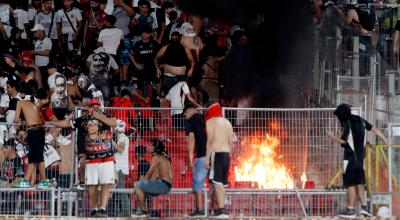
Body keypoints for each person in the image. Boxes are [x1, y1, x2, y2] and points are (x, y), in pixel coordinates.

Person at [47, 98, 118, 217]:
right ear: (88, 107)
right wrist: (49, 122)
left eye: (97, 105)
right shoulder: (82, 120)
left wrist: (99, 117)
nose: (94, 108)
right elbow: (66, 124)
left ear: (100, 106)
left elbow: (114, 123)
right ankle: (95, 209)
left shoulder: (106, 117)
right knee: (92, 184)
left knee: (106, 183)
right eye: (92, 106)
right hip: (91, 158)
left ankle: (103, 209)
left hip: (107, 157)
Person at [326, 103, 390, 218]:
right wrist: (385, 140)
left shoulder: (346, 123)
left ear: (342, 115)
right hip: (360, 159)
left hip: (350, 159)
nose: (338, 119)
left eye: (338, 116)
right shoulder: (361, 120)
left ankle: (350, 210)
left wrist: (331, 136)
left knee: (350, 184)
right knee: (359, 183)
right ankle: (364, 207)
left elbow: (343, 141)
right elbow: (374, 129)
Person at [13, 94, 49, 188]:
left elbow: (16, 120)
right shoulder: (34, 102)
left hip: (33, 131)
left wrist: (20, 120)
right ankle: (26, 181)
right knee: (34, 158)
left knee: (37, 158)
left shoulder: (20, 102)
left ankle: (43, 182)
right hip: (39, 130)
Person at [205, 102, 233, 218]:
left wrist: (207, 159)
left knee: (217, 183)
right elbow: (230, 142)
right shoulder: (227, 122)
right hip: (227, 154)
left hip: (216, 153)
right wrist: (229, 156)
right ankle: (221, 209)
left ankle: (221, 210)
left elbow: (210, 142)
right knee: (222, 184)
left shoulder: (210, 122)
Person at [132, 139, 172, 218]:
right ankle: (144, 211)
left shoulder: (157, 157)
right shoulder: (164, 156)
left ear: (156, 148)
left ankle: (143, 211)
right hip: (166, 184)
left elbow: (149, 173)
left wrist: (141, 184)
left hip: (162, 184)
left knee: (137, 185)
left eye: (151, 145)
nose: (149, 147)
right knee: (141, 189)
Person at [183, 104, 207, 217]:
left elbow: (191, 140)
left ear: (191, 111)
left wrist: (190, 158)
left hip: (202, 155)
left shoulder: (191, 120)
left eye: (185, 114)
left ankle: (200, 210)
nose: (185, 116)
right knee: (214, 183)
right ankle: (215, 210)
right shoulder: (206, 118)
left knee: (197, 184)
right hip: (214, 154)